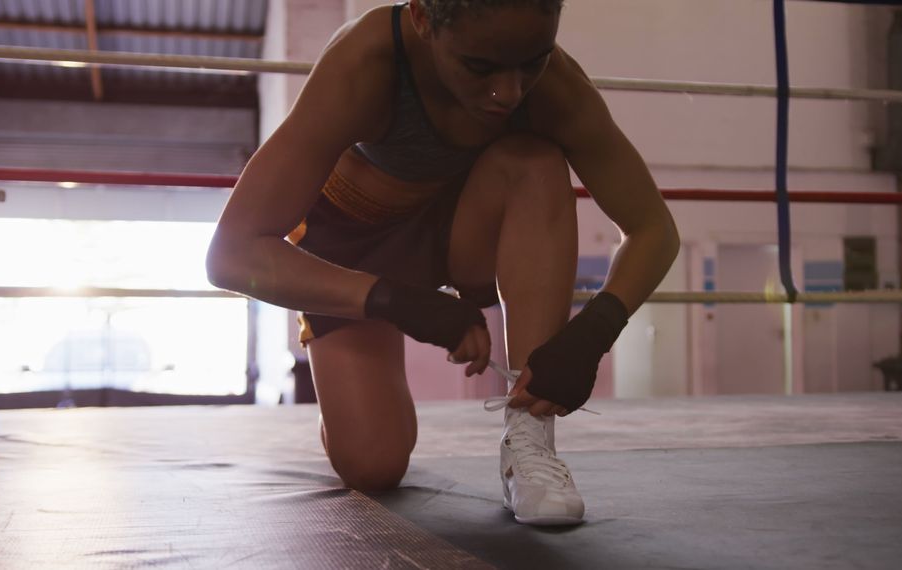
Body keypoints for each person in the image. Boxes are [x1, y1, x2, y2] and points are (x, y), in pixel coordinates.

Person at [206, 0, 679, 526]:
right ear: (423, 19)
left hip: (460, 230)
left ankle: (528, 442)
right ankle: (340, 402)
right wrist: (393, 299)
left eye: (532, 62)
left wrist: (593, 333)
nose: (509, 92)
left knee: (536, 162)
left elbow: (653, 228)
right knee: (373, 465)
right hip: (353, 244)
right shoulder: (367, 63)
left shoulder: (557, 89)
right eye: (481, 67)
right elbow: (230, 254)